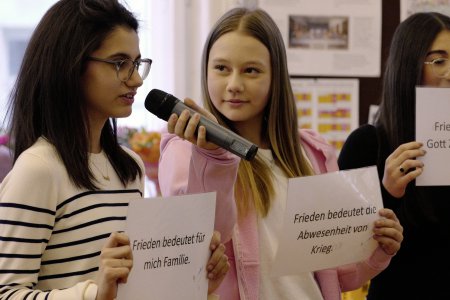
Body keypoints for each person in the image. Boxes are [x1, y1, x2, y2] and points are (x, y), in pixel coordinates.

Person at [158, 7, 403, 300]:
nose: (234, 84)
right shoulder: (185, 152)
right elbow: (195, 249)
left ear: (276, 76)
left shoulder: (312, 154)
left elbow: (333, 273)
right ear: (206, 70)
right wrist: (212, 156)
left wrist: (376, 251)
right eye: (221, 68)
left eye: (251, 70)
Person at [0, 1, 230, 299]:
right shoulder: (38, 169)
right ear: (71, 65)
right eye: (119, 63)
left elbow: (132, 288)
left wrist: (194, 281)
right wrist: (93, 294)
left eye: (136, 63)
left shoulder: (129, 168)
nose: (135, 80)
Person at [338, 12, 450, 300]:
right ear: (408, 65)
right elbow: (341, 255)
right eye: (439, 61)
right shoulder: (367, 144)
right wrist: (387, 193)